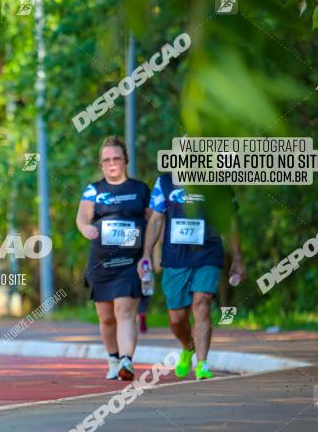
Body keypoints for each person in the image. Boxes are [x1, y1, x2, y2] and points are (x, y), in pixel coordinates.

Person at [138, 173, 246, 380]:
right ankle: (188, 348)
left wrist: (238, 257)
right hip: (175, 258)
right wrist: (146, 254)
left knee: (202, 304)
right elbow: (156, 219)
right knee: (176, 318)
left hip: (208, 253)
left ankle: (202, 365)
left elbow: (229, 221)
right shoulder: (165, 181)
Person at [77, 136, 151, 381]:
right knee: (106, 318)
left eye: (116, 158)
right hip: (102, 264)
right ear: (101, 164)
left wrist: (152, 256)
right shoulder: (94, 190)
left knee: (125, 310)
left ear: (125, 161)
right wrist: (86, 228)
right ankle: (113, 358)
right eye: (106, 160)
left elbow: (154, 224)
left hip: (131, 263)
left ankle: (127, 362)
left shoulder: (140, 190)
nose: (111, 163)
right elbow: (82, 217)